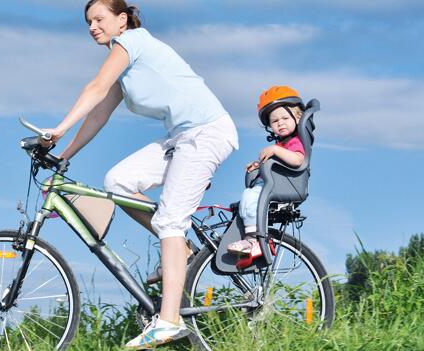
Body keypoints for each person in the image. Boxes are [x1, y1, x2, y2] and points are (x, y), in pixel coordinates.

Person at [41, 1, 238, 348]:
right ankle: (186, 251)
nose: (92, 26)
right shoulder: (125, 64)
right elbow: (98, 113)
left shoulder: (131, 43)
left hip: (206, 133)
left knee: (170, 221)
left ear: (122, 20)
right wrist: (64, 154)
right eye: (88, 22)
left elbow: (94, 88)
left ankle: (169, 321)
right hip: (182, 136)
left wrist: (57, 129)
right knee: (118, 181)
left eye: (99, 19)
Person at [227, 86, 306, 257]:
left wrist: (276, 151)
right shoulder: (281, 144)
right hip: (276, 183)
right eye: (275, 121)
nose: (280, 123)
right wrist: (258, 165)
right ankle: (255, 238)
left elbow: (298, 159)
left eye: (285, 117)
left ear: (298, 117)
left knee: (250, 198)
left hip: (285, 185)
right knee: (246, 200)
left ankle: (254, 241)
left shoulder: (294, 142)